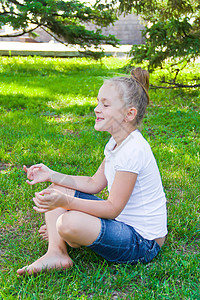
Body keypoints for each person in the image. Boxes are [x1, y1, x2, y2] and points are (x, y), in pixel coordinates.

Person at [17, 67, 167, 276]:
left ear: (129, 114)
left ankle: (69, 235)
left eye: (105, 104)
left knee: (68, 221)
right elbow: (94, 183)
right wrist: (51, 175)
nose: (97, 108)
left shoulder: (133, 150)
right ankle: (57, 252)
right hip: (120, 224)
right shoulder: (117, 142)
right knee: (57, 189)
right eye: (98, 102)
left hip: (142, 243)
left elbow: (112, 208)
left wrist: (64, 204)